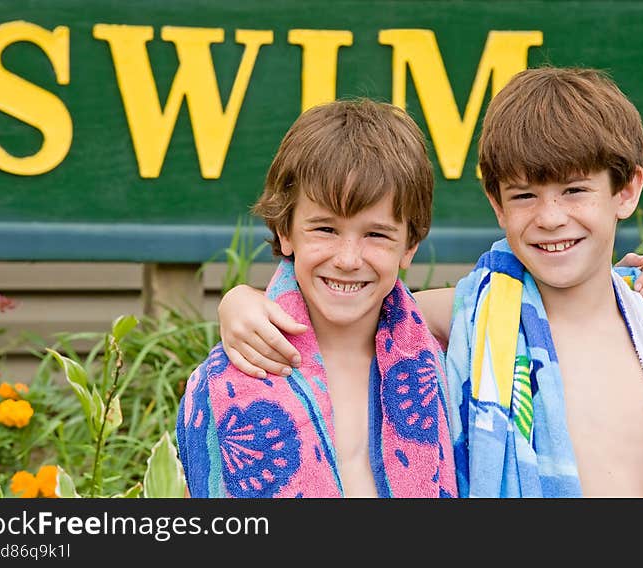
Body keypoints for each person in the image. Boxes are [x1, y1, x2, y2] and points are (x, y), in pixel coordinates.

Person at [215, 67, 643, 497]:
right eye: (524, 196)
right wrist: (240, 302)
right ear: (496, 204)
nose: (550, 218)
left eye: (574, 191)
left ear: (626, 191)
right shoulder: (470, 313)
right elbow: (352, 308)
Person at [176, 99, 457, 497]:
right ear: (286, 232)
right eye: (325, 229)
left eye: (376, 234)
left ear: (409, 244)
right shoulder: (231, 378)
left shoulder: (443, 359)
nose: (347, 259)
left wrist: (236, 297)